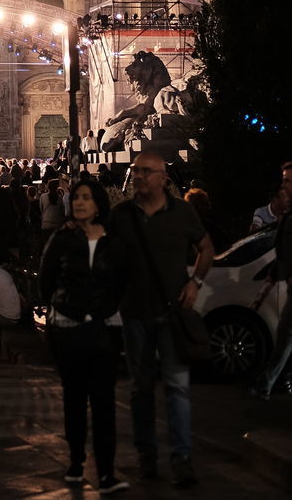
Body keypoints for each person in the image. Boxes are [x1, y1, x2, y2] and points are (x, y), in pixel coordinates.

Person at [108, 151, 214, 487]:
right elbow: (103, 253)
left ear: (163, 178)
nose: (137, 176)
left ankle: (181, 457)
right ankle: (146, 457)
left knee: (177, 387)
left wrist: (195, 283)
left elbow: (206, 248)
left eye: (145, 171)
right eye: (135, 170)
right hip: (135, 312)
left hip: (172, 312)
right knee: (140, 389)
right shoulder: (122, 214)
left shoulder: (182, 211)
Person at [40, 178, 129, 493]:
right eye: (76, 197)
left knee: (105, 403)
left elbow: (121, 282)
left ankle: (106, 472)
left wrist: (105, 309)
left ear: (99, 204)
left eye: (86, 198)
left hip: (104, 329)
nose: (79, 202)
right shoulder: (61, 239)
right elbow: (46, 281)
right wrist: (64, 306)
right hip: (69, 328)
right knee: (74, 399)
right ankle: (76, 462)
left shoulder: (114, 242)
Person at [248, 159, 292, 399]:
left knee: (285, 338)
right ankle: (276, 382)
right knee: (285, 338)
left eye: (287, 180)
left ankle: (267, 385)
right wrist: (267, 287)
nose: (283, 186)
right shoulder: (287, 217)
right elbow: (282, 255)